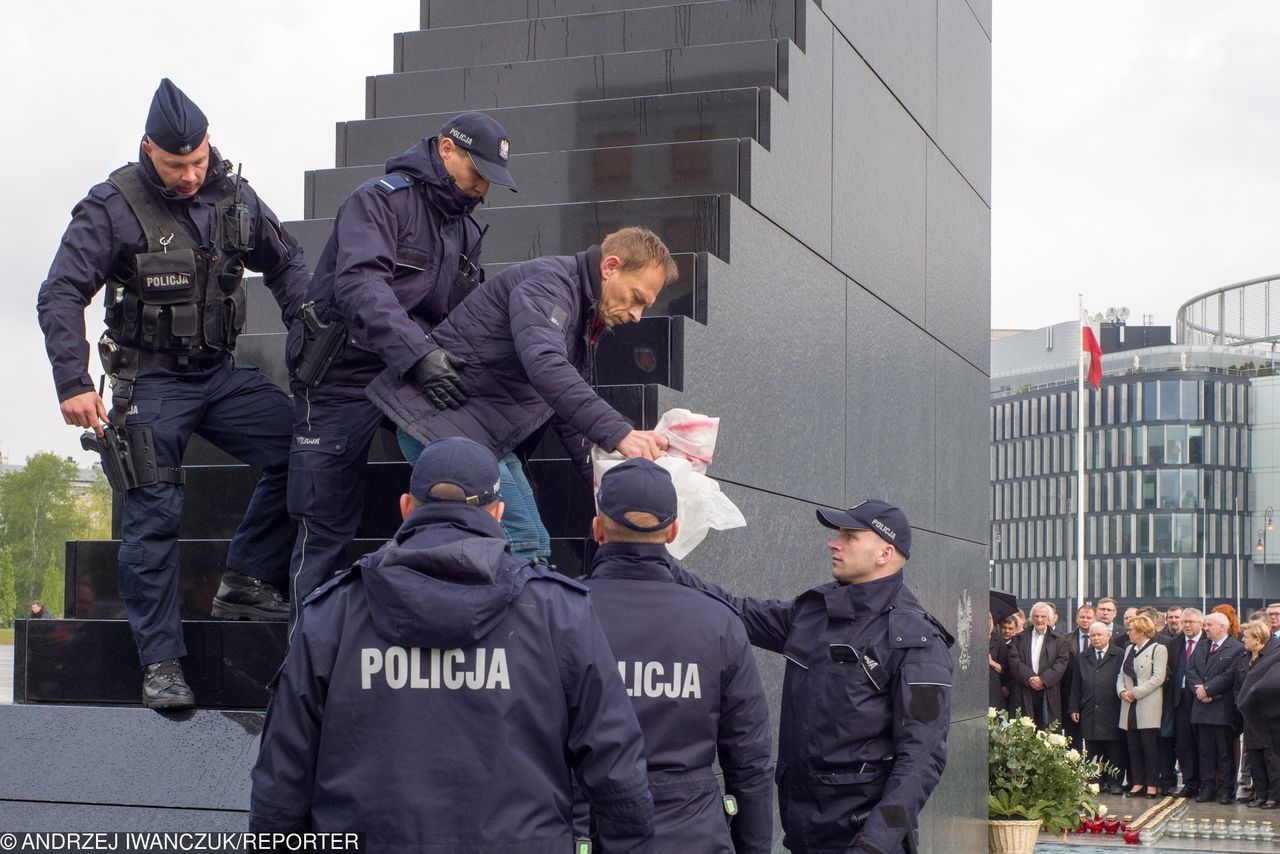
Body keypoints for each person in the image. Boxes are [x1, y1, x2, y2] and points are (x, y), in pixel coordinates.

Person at [36, 79, 308, 710]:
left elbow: (288, 265)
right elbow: (59, 293)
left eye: (197, 161)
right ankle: (161, 663)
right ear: (147, 150)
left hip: (219, 375)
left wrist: (310, 328)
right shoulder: (111, 206)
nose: (190, 176)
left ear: (210, 144)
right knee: (153, 515)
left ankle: (244, 578)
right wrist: (72, 381)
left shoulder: (234, 194)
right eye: (175, 165)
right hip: (151, 383)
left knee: (304, 444)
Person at [250, 437, 655, 849]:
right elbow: (618, 776)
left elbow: (281, 786)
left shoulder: (332, 612)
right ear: (499, 514)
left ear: (407, 507)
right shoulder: (559, 611)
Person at [285, 112, 518, 618]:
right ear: (446, 150)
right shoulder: (378, 200)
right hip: (342, 379)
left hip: (411, 380)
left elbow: (466, 311)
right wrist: (420, 356)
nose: (482, 189)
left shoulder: (463, 226)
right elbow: (359, 287)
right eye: (477, 174)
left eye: (490, 181)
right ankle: (305, 673)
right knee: (324, 529)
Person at [665, 500, 953, 853]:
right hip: (803, 835)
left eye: (849, 536)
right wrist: (657, 561)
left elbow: (923, 760)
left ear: (885, 553)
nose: (834, 543)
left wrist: (874, 845)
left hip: (863, 842)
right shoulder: (815, 611)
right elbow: (734, 610)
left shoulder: (916, 640)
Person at [384, 227, 677, 565]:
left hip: (480, 433)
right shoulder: (549, 284)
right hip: (439, 423)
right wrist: (620, 433)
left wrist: (608, 482)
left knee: (533, 543)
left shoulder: (582, 311)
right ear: (610, 267)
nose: (637, 315)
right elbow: (546, 364)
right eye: (637, 298)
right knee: (521, 540)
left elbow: (568, 414)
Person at [578, 458, 773, 853]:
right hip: (693, 836)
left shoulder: (558, 611)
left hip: (591, 832)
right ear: (673, 532)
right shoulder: (718, 622)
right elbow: (749, 763)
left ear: (598, 529)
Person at [1188, 612, 1245, 803]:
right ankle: (1207, 788)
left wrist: (1208, 691)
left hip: (1222, 709)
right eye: (1204, 625)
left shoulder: (1236, 648)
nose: (1205, 628)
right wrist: (1199, 691)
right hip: (1201, 708)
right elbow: (1191, 669)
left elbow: (1230, 676)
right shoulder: (1202, 645)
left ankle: (1227, 789)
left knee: (1224, 752)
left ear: (1223, 626)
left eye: (1209, 625)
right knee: (1205, 752)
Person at [1069, 622, 1126, 795]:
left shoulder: (1119, 654)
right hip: (1090, 708)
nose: (1095, 638)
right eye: (1092, 635)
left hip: (1112, 708)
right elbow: (1075, 685)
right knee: (1093, 747)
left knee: (1114, 747)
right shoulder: (1082, 657)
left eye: (1099, 635)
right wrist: (1074, 707)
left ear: (1108, 636)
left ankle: (1115, 782)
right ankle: (1095, 780)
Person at [1117, 614, 1168, 798]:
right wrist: (1122, 692)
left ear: (1140, 631)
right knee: (1134, 746)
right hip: (1128, 705)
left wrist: (1135, 692)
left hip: (1147, 704)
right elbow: (1121, 675)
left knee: (1149, 747)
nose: (1128, 632)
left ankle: (1152, 784)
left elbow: (1158, 678)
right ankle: (1137, 782)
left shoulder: (1158, 649)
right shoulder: (1129, 648)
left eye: (1130, 630)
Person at [1007, 602, 1070, 730]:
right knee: (1024, 730)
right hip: (1024, 689)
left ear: (1049, 618)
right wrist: (1031, 678)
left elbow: (1061, 663)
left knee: (1047, 732)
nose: (1039, 620)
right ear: (1031, 618)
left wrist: (1043, 680)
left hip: (1048, 691)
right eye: (1036, 616)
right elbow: (1014, 661)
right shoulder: (1018, 638)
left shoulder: (1059, 640)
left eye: (1043, 616)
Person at [1234, 621, 1275, 808]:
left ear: (1257, 639)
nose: (1243, 639)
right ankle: (1260, 794)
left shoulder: (1272, 658)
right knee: (1254, 756)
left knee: (1271, 758)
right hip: (1248, 716)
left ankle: (1274, 796)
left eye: (1246, 637)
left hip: (1266, 717)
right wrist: (1241, 703)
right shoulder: (1244, 658)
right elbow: (1238, 686)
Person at [1170, 608, 1206, 797]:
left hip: (1202, 699)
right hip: (1180, 699)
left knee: (1202, 743)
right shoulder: (1175, 643)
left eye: (1191, 622)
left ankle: (1205, 783)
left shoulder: (1207, 642)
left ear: (1201, 623)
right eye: (1185, 622)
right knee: (1184, 743)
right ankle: (1190, 782)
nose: (1187, 625)